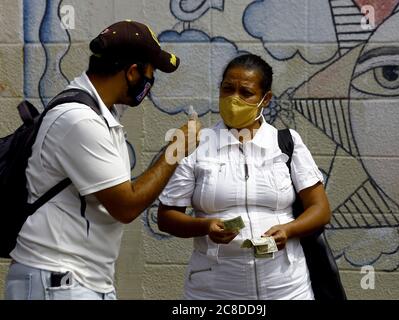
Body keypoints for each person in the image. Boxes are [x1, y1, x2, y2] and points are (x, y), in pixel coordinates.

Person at [5, 20, 201, 300]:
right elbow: (126, 205)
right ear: (133, 72)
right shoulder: (80, 120)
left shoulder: (98, 114)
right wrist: (177, 149)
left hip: (76, 282)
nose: (151, 81)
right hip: (58, 283)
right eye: (151, 72)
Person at [157, 53, 331, 300]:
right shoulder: (196, 146)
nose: (233, 99)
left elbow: (321, 209)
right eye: (227, 89)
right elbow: (166, 217)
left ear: (265, 99)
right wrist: (205, 226)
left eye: (246, 93)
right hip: (214, 290)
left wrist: (289, 230)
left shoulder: (286, 142)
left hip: (286, 288)